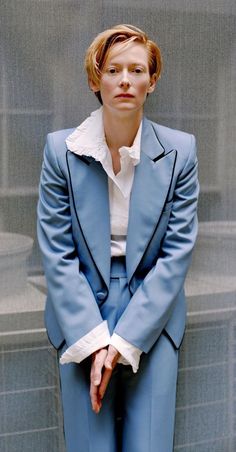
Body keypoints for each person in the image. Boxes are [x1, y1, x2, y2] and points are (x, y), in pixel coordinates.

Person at [37, 24, 199, 452]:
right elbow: (56, 252)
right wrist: (92, 341)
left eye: (137, 70)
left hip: (154, 314)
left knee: (150, 445)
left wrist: (125, 342)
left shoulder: (181, 152)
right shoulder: (60, 152)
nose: (125, 80)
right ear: (96, 79)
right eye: (113, 69)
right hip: (80, 311)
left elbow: (176, 254)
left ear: (152, 79)